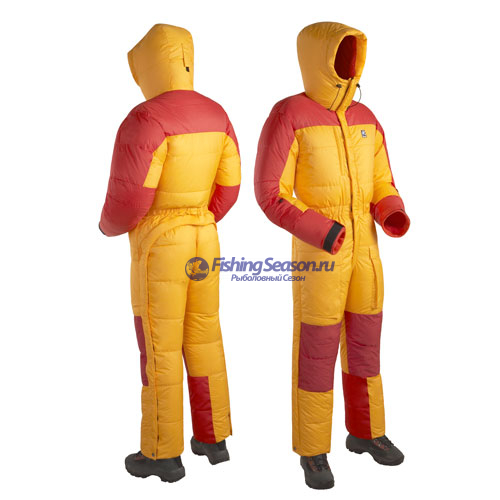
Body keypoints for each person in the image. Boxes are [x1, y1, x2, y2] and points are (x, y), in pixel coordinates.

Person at [254, 22, 410, 489]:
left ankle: (367, 432)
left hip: (367, 249)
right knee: (317, 351)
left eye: (352, 54)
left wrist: (390, 209)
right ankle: (313, 450)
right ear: (316, 59)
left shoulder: (366, 117)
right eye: (340, 54)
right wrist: (322, 230)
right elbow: (270, 192)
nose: (348, 63)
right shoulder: (289, 115)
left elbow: (381, 179)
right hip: (320, 251)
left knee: (365, 347)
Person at [99, 24, 240, 482]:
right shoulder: (217, 114)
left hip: (161, 246)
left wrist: (107, 227)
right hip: (205, 238)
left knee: (159, 346)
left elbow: (130, 199)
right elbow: (230, 187)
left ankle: (162, 454)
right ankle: (213, 438)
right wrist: (201, 217)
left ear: (147, 67)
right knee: (205, 336)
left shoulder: (145, 119)